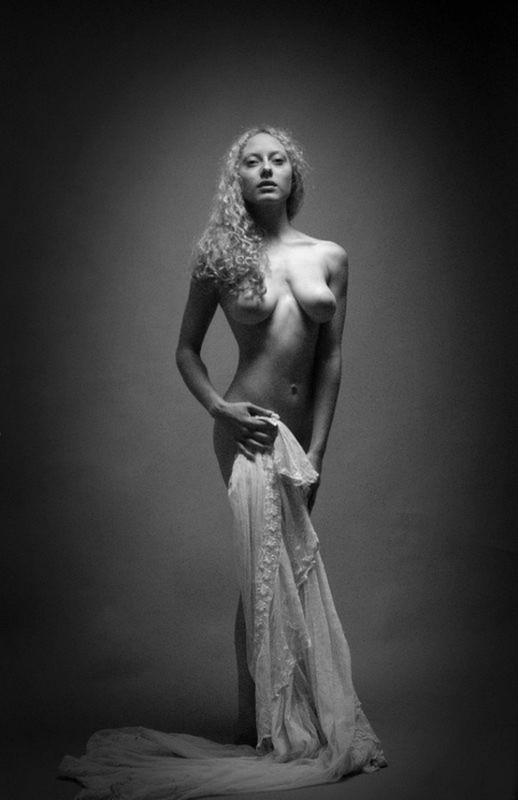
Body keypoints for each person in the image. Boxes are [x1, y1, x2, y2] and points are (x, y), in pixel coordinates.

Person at [59, 127, 386, 799]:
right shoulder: (221, 254)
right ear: (236, 179)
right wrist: (220, 409)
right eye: (251, 161)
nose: (265, 169)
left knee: (292, 567)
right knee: (261, 571)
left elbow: (330, 358)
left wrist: (319, 449)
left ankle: (290, 716)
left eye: (277, 160)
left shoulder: (330, 257)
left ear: (294, 176)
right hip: (248, 432)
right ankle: (255, 723)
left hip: (302, 434)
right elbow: (186, 349)